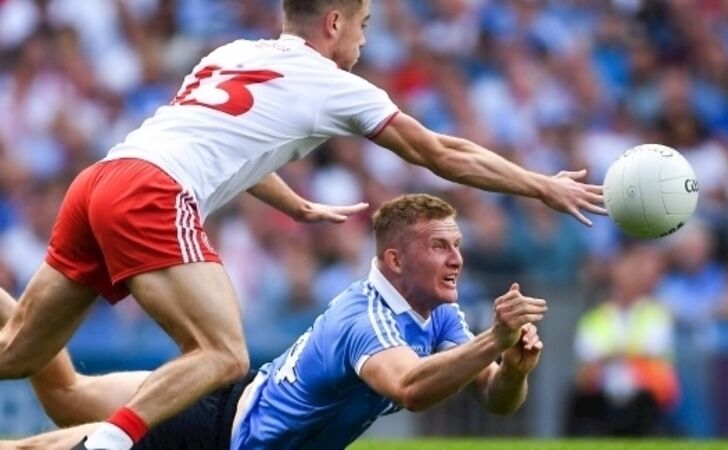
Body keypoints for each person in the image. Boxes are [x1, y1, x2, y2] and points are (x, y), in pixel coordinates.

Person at [0, 1, 603, 448]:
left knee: (20, 353)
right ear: (335, 23)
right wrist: (540, 185)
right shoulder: (333, 84)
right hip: (153, 191)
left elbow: (223, 139)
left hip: (104, 176)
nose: (363, 41)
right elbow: (440, 151)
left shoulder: (231, 53)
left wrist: (292, 204)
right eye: (363, 25)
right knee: (222, 354)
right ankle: (111, 443)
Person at [0, 194, 547, 450]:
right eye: (439, 246)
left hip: (231, 395)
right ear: (395, 261)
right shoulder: (366, 318)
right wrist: (491, 340)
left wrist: (513, 369)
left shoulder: (439, 314)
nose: (457, 259)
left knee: (66, 395)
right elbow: (410, 388)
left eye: (457, 245)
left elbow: (495, 399)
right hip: (210, 436)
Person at [565, 245, 678, 436]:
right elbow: (586, 368)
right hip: (603, 398)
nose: (630, 276)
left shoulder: (656, 314)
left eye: (634, 270)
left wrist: (608, 355)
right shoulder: (593, 319)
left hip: (644, 398)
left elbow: (654, 354)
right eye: (625, 268)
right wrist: (627, 353)